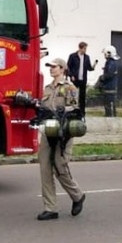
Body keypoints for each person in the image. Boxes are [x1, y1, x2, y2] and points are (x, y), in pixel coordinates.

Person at [35, 57, 86, 221]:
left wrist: (62, 111)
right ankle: (50, 208)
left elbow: (75, 108)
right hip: (48, 132)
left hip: (64, 133)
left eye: (54, 66)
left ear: (62, 69)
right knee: (45, 168)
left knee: (60, 167)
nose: (51, 69)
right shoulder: (47, 88)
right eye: (50, 66)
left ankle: (77, 196)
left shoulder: (70, 87)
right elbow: (43, 109)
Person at [66, 41, 96, 114]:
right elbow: (68, 67)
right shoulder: (73, 56)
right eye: (84, 49)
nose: (85, 50)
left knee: (82, 96)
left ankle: (82, 112)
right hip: (75, 78)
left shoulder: (87, 57)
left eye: (86, 49)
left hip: (83, 79)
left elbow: (89, 68)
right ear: (80, 48)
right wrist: (71, 75)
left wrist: (93, 67)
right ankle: (72, 110)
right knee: (73, 95)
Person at [98, 45, 121, 117]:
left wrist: (102, 78)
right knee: (107, 105)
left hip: (110, 87)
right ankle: (109, 116)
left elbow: (109, 74)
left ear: (109, 53)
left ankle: (111, 118)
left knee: (110, 105)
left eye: (105, 54)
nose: (104, 55)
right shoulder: (110, 62)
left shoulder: (111, 63)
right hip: (108, 86)